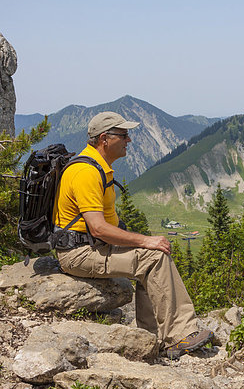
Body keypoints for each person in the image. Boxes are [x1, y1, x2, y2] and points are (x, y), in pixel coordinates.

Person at [52, 111, 213, 360]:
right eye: (124, 135)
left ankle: (152, 337)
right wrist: (145, 240)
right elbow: (98, 228)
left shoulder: (96, 166)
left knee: (151, 256)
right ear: (105, 138)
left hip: (91, 246)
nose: (129, 140)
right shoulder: (86, 172)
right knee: (154, 258)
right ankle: (179, 335)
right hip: (79, 253)